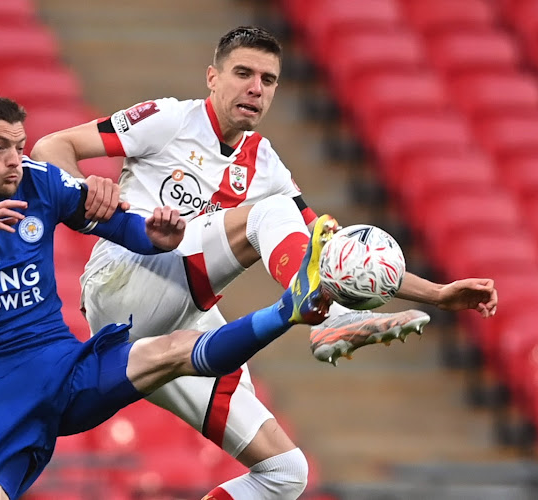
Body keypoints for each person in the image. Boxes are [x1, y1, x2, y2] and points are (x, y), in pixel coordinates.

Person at [30, 26, 498, 499]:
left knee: (285, 473)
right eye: (243, 73)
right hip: (123, 287)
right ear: (212, 77)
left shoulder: (266, 164)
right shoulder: (170, 119)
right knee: (271, 214)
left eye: (268, 80)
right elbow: (49, 148)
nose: (256, 88)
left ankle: (331, 316)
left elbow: (336, 253)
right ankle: (329, 320)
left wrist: (438, 293)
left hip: (177, 325)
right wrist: (87, 190)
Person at [0, 91, 342, 500]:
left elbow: (118, 224)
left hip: (64, 368)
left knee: (175, 349)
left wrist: (154, 236)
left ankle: (286, 311)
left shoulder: (39, 182)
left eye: (18, 146)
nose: (15, 159)